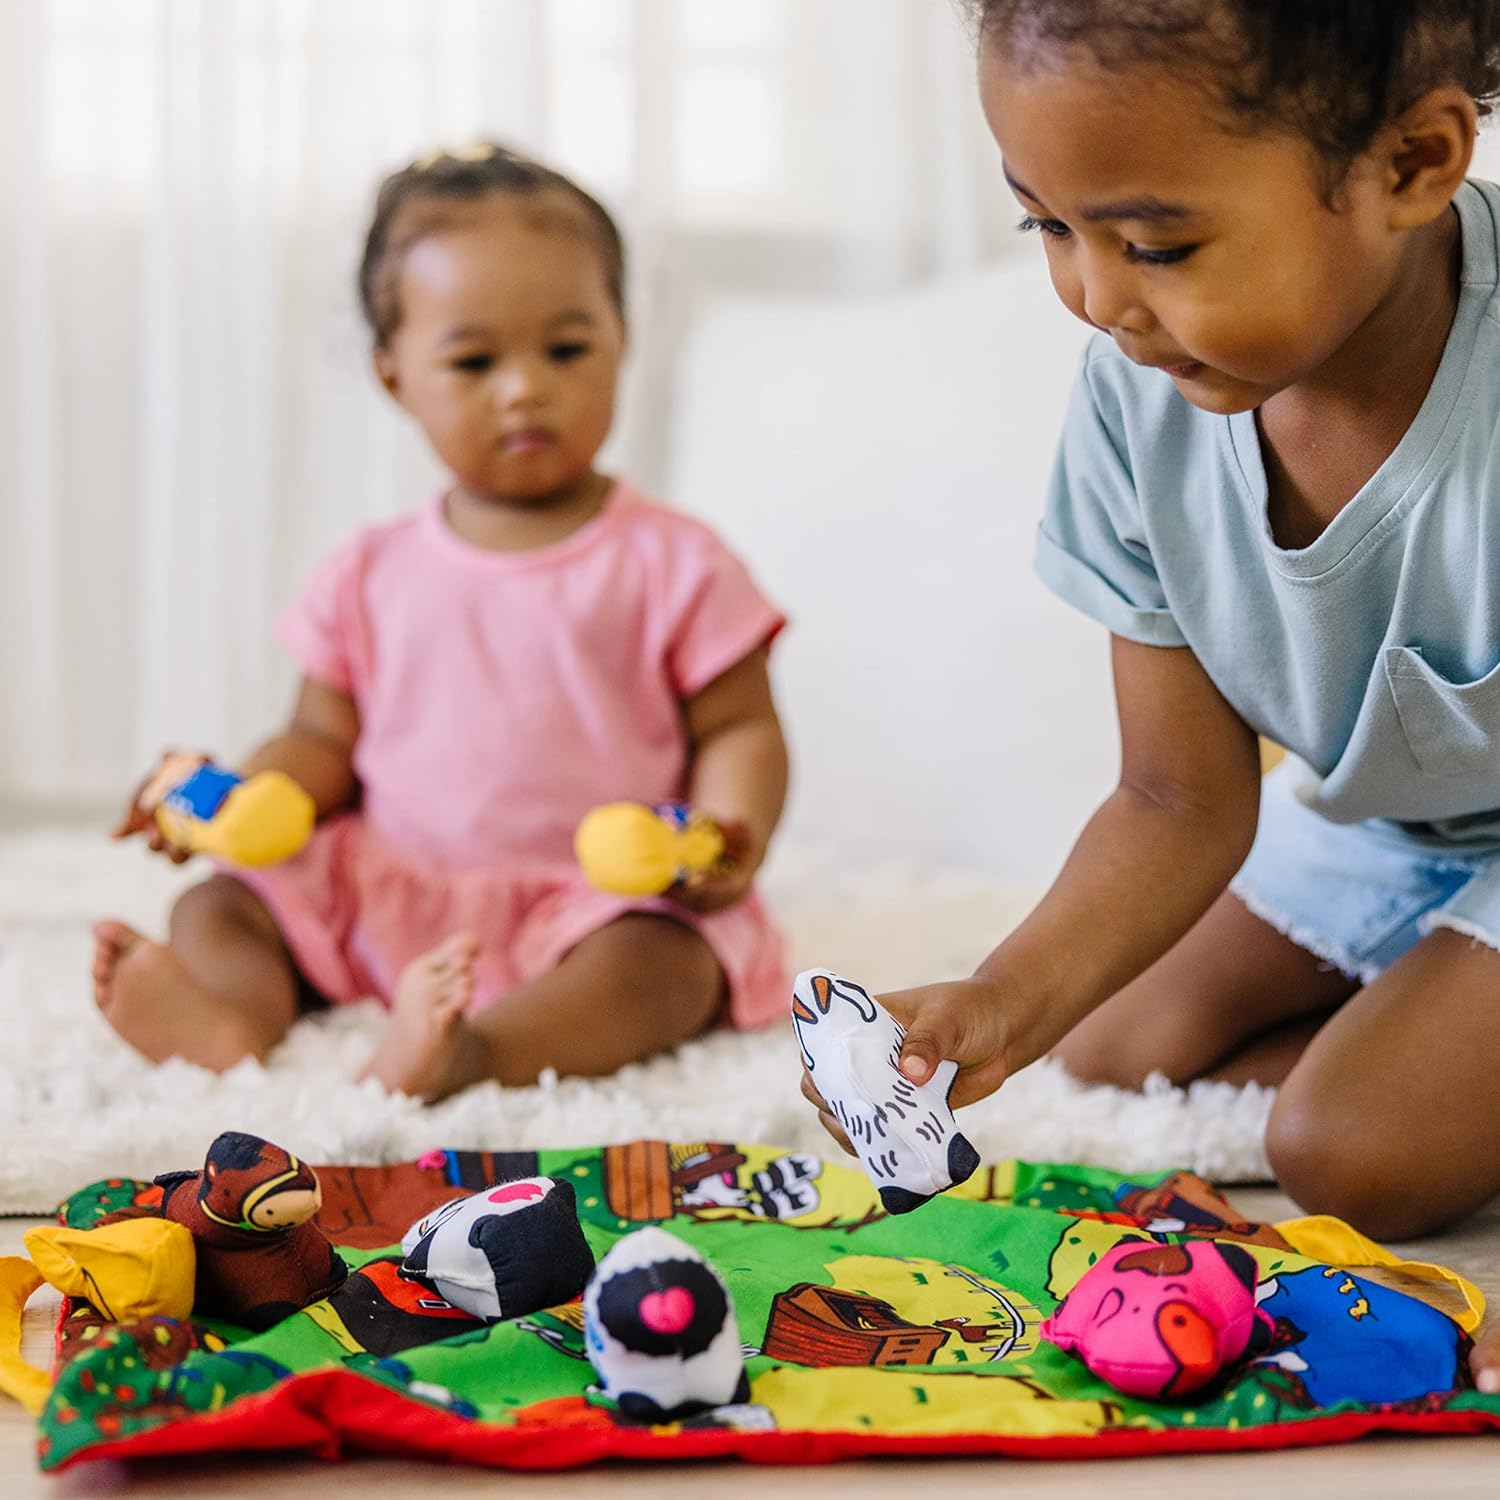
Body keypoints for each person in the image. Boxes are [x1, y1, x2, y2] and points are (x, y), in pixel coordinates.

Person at [802, 0, 1500, 1388]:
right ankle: (1425, 1032)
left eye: (1158, 244)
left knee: (1342, 1151)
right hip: (1396, 822)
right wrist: (1001, 1000)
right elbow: (1178, 796)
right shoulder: (1140, 402)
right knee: (1114, 1038)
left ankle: (1409, 1069)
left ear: (1413, 165)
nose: (1098, 298)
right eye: (1046, 227)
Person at [96, 142, 790, 1101]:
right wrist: (236, 804)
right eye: (473, 359)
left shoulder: (672, 560)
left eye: (567, 348)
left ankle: (481, 1053)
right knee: (219, 908)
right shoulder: (369, 570)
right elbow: (318, 739)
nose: (523, 387)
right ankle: (229, 1019)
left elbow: (740, 725)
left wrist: (724, 831)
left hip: (587, 905)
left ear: (622, 340)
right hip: (391, 885)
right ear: (395, 376)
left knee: (666, 969)